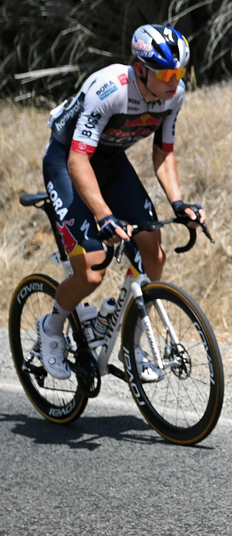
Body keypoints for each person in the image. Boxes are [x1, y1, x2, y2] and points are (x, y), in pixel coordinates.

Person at [37, 23, 206, 382]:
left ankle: (132, 341)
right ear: (141, 69)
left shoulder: (174, 95)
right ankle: (51, 328)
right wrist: (105, 216)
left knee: (152, 253)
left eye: (180, 72)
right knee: (94, 266)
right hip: (68, 161)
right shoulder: (111, 88)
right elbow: (77, 160)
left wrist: (178, 203)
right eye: (166, 73)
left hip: (111, 163)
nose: (174, 81)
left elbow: (163, 153)